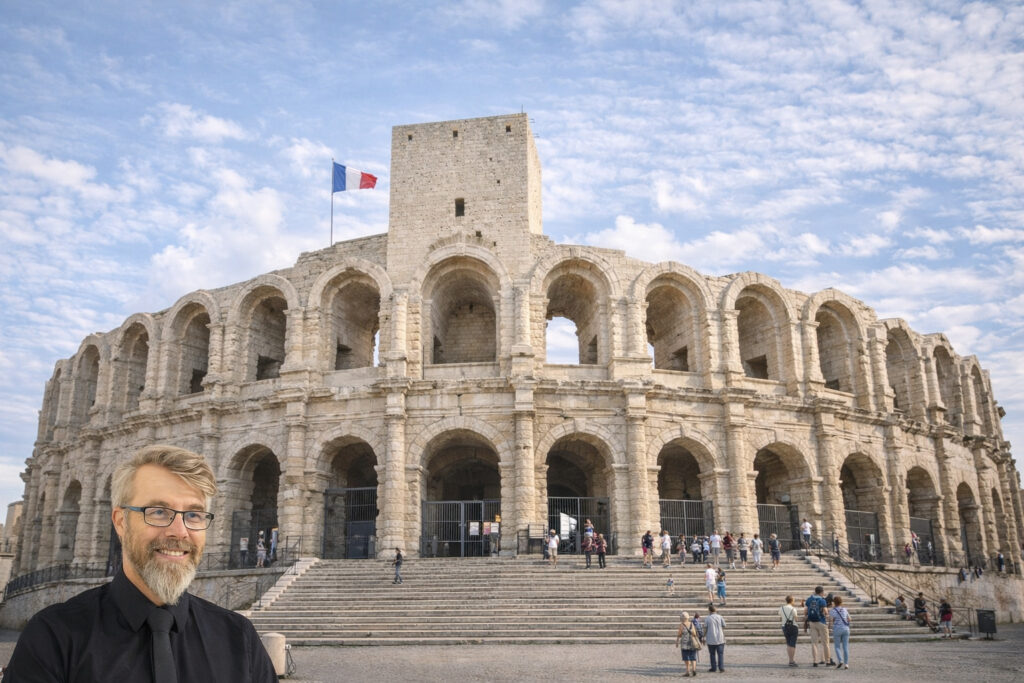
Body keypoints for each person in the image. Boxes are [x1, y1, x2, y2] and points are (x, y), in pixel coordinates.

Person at [5, 444, 277, 682]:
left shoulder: (240, 639)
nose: (179, 531)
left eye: (194, 515)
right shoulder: (53, 637)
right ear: (120, 522)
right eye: (158, 512)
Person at [804, 585, 830, 667]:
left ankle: (815, 661)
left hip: (812, 622)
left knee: (814, 643)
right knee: (825, 643)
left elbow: (805, 611)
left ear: (815, 591)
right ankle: (827, 661)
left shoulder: (809, 599)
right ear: (822, 592)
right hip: (821, 622)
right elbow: (826, 611)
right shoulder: (822, 600)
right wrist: (827, 614)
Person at [676, 611, 701, 677]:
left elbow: (679, 634)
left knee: (686, 657)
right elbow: (694, 634)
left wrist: (677, 642)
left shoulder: (681, 625)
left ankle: (687, 671)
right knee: (693, 657)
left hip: (684, 644)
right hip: (692, 642)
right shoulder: (691, 624)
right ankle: (694, 669)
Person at [829, 595, 850, 669]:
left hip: (837, 629)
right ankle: (846, 664)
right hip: (845, 629)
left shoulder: (832, 611)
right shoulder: (845, 609)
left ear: (834, 602)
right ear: (841, 602)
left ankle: (840, 660)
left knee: (837, 646)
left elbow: (831, 620)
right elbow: (849, 619)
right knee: (845, 647)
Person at [704, 604, 726, 673]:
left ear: (709, 610)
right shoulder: (720, 617)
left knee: (712, 654)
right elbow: (724, 625)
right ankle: (721, 668)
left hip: (711, 638)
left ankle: (713, 668)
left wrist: (703, 636)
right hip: (720, 638)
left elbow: (705, 628)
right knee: (720, 654)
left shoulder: (707, 618)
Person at [780, 595, 799, 667]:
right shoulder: (793, 609)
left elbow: (780, 617)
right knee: (792, 643)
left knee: (788, 643)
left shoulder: (781, 608)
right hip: (793, 626)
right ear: (792, 601)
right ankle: (791, 660)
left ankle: (790, 660)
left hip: (784, 626)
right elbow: (796, 619)